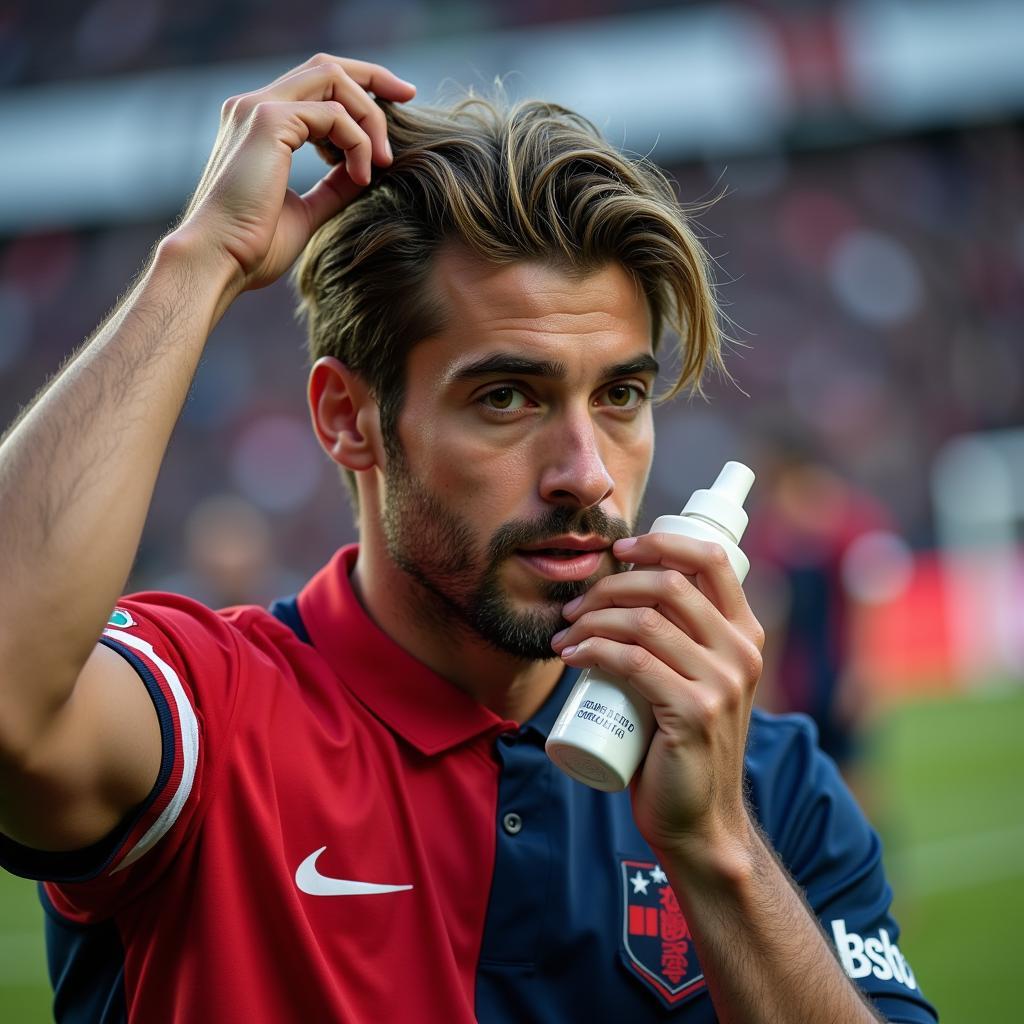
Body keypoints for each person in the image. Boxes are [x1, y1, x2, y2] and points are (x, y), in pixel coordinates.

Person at [0, 55, 936, 1022]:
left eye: (620, 396)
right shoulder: (209, 719)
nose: (587, 472)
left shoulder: (768, 788)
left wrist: (717, 856)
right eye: (505, 397)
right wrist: (199, 261)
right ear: (347, 418)